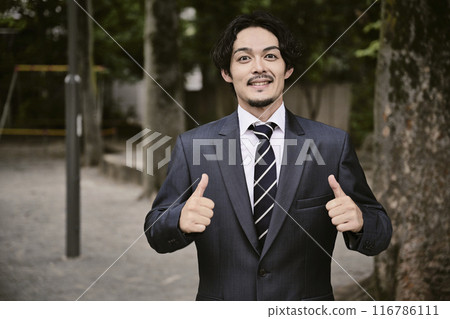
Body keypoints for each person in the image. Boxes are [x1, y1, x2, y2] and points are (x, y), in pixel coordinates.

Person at [144, 11, 392, 301]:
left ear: (287, 68)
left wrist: (361, 220)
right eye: (244, 58)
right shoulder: (193, 145)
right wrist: (178, 220)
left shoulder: (331, 144)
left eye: (271, 56)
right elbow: (154, 230)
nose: (258, 67)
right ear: (227, 72)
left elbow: (381, 232)